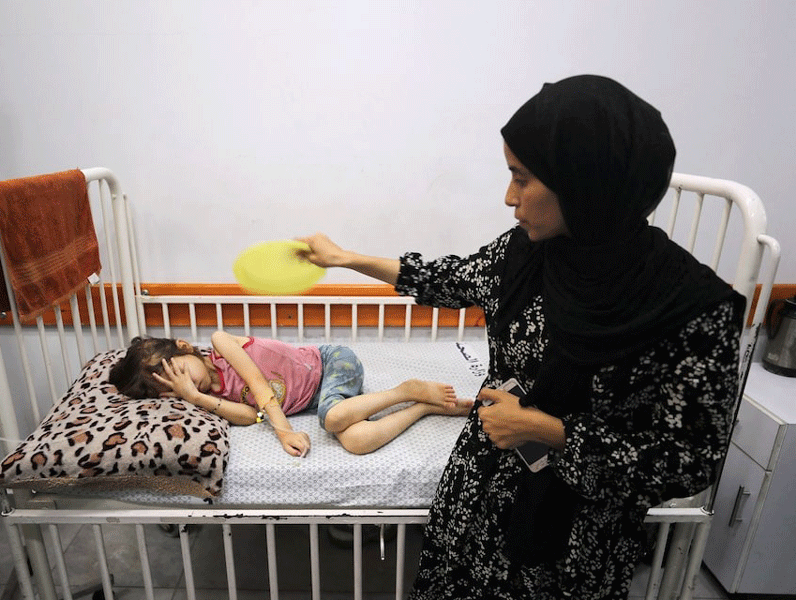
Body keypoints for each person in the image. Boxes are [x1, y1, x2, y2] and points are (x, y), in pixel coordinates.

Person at [297, 75, 746, 599]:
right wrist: (345, 258)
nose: (509, 197)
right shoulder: (528, 251)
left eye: (523, 178)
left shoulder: (692, 310)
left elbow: (688, 459)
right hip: (479, 493)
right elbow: (450, 278)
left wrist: (549, 431)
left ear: (584, 183)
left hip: (577, 538)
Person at [108, 331, 472, 457]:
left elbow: (260, 390)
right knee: (355, 440)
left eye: (184, 374)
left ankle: (402, 391)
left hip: (332, 364)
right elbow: (251, 416)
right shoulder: (206, 399)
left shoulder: (221, 343)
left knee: (331, 419)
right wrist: (197, 398)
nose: (189, 387)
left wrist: (284, 432)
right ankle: (421, 407)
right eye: (177, 391)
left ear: (186, 348)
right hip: (323, 399)